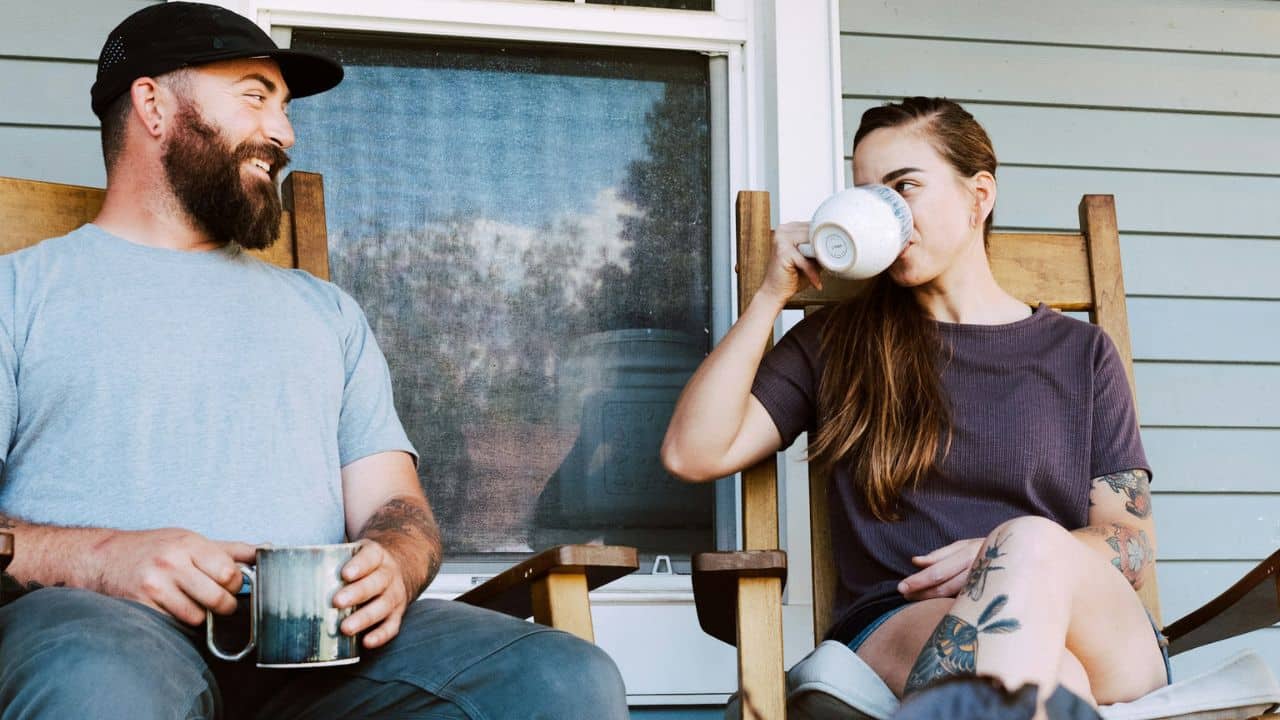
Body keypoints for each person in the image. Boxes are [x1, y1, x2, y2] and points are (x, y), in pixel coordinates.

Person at [0, 3, 628, 718]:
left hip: (318, 645)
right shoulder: (20, 295)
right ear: (152, 104)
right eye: (254, 97)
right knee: (99, 687)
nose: (283, 133)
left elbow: (397, 507)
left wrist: (392, 560)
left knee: (562, 680)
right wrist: (102, 558)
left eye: (285, 108)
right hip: (100, 628)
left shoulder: (326, 313)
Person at [662, 97, 1169, 717]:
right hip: (906, 621)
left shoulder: (1081, 352)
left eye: (904, 188)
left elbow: (1133, 546)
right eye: (868, 193)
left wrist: (1003, 553)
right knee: (1047, 678)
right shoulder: (836, 344)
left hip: (1099, 631)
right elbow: (693, 452)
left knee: (1032, 546)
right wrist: (772, 295)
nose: (887, 213)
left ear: (978, 195)